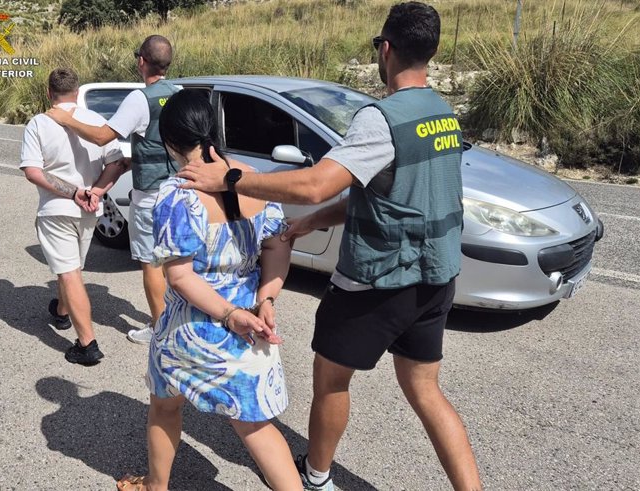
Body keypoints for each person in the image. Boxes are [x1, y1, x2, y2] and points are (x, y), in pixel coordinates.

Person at [176, 2, 482, 490]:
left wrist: (230, 178)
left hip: (377, 280)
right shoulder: (443, 114)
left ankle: (315, 476)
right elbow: (394, 196)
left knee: (332, 379)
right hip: (436, 276)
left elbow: (317, 183)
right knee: (425, 389)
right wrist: (312, 223)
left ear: (385, 49)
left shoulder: (382, 119)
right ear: (432, 51)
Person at [115, 90, 302, 491]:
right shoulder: (252, 178)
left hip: (193, 325)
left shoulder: (176, 194)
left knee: (165, 406)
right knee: (255, 424)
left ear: (169, 143)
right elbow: (277, 244)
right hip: (250, 323)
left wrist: (229, 315)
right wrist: (267, 298)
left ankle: (155, 485)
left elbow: (179, 277)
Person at [46, 35, 179, 345]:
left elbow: (103, 136)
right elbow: (165, 141)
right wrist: (138, 157)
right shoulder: (180, 93)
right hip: (179, 190)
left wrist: (66, 118)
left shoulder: (139, 98)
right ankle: (177, 321)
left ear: (141, 62)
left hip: (151, 194)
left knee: (151, 264)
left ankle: (159, 328)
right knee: (175, 261)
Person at [20, 67, 124, 365]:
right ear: (77, 93)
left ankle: (87, 344)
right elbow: (116, 163)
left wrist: (72, 193)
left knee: (69, 272)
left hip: (57, 210)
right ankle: (62, 312)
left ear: (49, 92)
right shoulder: (96, 121)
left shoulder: (39, 123)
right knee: (72, 267)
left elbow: (32, 171)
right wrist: (95, 191)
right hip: (90, 209)